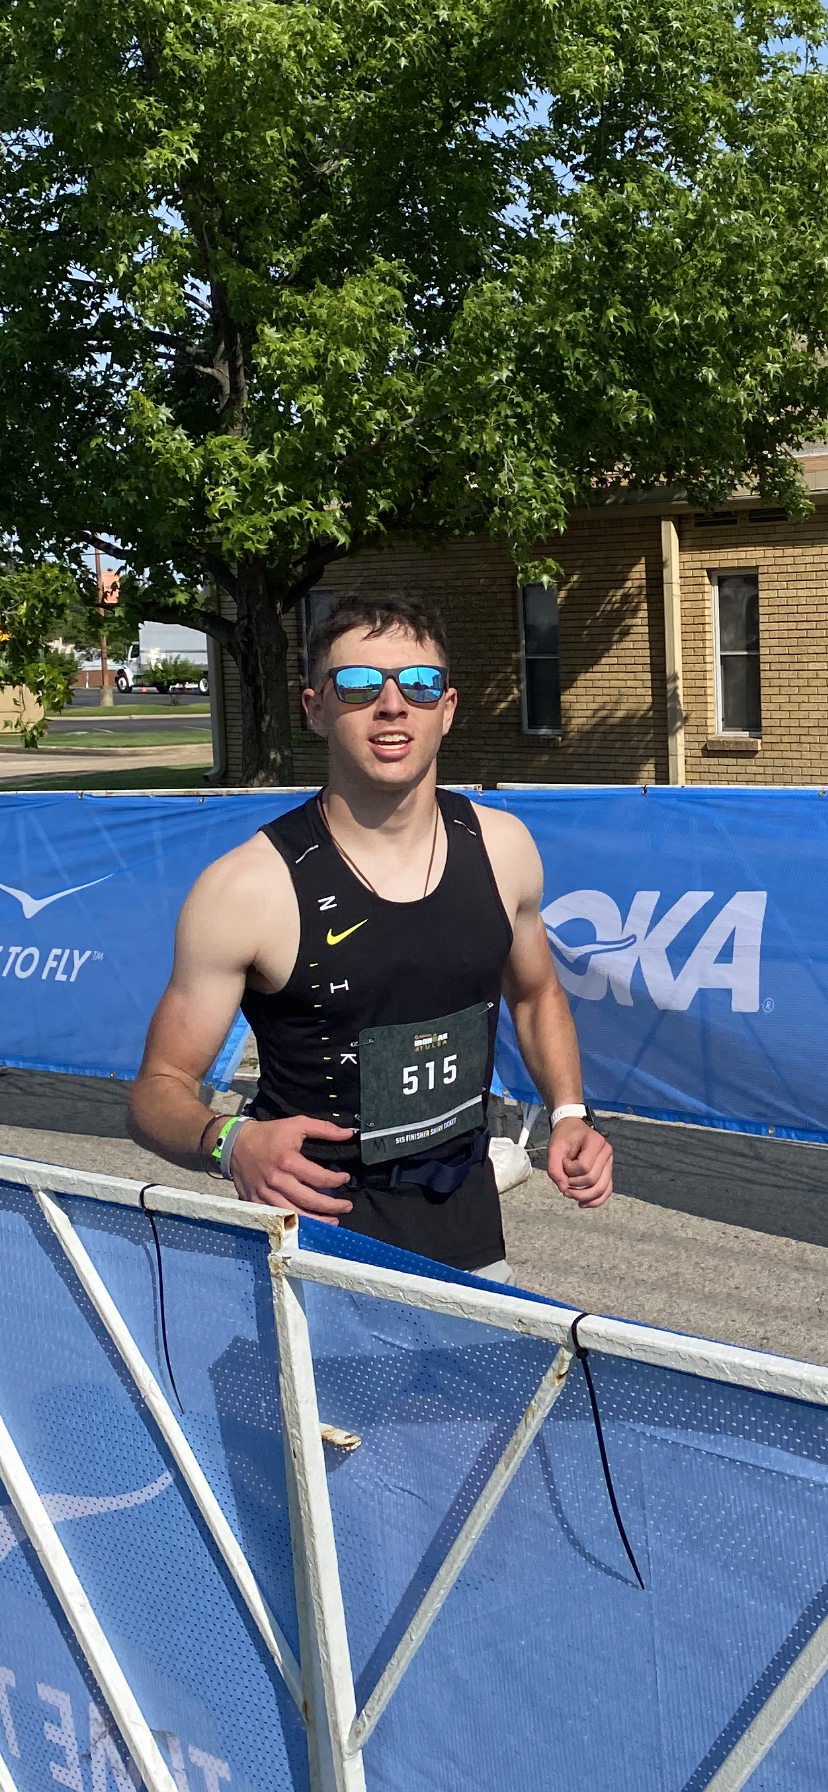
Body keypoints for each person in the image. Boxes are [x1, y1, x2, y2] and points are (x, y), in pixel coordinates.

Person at [128, 591, 612, 1281]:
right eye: (357, 685)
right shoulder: (245, 889)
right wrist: (229, 1143)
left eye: (418, 684)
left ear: (446, 709)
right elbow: (157, 1089)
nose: (392, 705)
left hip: (471, 1239)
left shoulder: (504, 848)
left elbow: (535, 995)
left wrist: (569, 1113)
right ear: (315, 710)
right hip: (310, 1251)